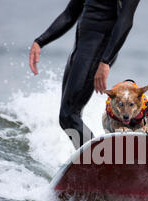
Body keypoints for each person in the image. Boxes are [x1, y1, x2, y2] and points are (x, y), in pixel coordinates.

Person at [29, 0, 141, 149]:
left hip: (98, 51)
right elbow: (70, 13)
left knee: (69, 115)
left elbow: (125, 21)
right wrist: (40, 41)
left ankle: (100, 162)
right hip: (80, 50)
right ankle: (91, 163)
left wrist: (105, 61)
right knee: (68, 118)